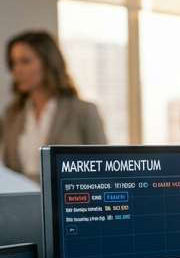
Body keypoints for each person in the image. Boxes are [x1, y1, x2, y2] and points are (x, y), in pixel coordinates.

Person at [1, 30, 106, 183]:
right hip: (22, 203)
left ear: (48, 62)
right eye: (13, 62)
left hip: (68, 201)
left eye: (25, 61)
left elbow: (101, 169)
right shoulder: (11, 114)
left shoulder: (82, 111)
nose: (16, 70)